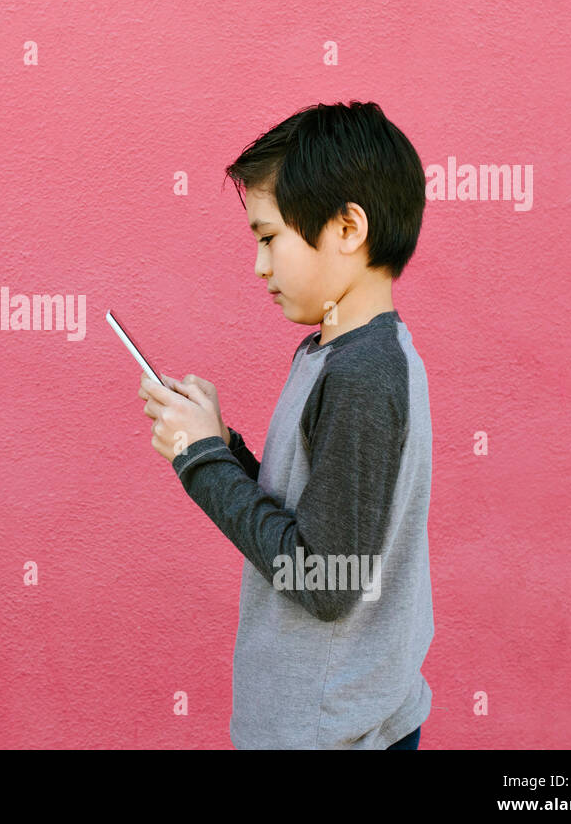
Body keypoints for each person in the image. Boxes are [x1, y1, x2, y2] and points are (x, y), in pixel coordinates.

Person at [139, 101, 433, 749]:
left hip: (333, 733)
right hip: (331, 722)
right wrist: (220, 443)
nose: (259, 266)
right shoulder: (333, 352)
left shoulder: (363, 373)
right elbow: (308, 515)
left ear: (348, 226)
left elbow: (324, 579)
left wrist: (202, 461)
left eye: (268, 238)